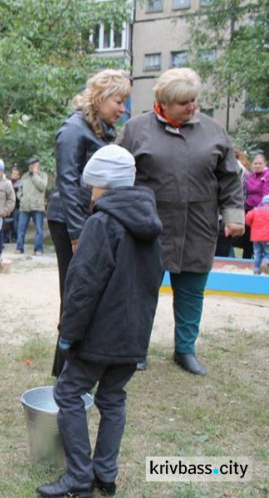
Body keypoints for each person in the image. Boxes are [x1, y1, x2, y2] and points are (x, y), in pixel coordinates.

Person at [37, 145, 162, 498]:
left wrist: (68, 335)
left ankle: (79, 477)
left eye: (91, 186)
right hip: (132, 336)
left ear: (101, 185)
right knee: (113, 398)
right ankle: (105, 475)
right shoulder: (151, 225)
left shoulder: (102, 223)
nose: (89, 193)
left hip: (96, 337)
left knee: (68, 391)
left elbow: (82, 286)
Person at [119, 68, 244, 376]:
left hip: (198, 227)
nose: (191, 107)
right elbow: (119, 176)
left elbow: (230, 177)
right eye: (183, 103)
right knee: (142, 291)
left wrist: (234, 216)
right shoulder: (136, 129)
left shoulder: (213, 131)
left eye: (193, 100)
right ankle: (136, 351)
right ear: (163, 102)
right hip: (150, 227)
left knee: (191, 290)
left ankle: (185, 350)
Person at [46, 68, 131, 377]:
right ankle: (64, 368)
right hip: (70, 221)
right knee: (74, 291)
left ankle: (80, 360)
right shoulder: (73, 129)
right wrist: (77, 231)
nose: (123, 109)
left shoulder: (103, 130)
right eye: (119, 101)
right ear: (100, 97)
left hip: (92, 220)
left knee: (89, 289)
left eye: (125, 103)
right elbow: (67, 182)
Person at [15, 156, 48, 255]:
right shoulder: (24, 176)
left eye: (33, 164)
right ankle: (19, 248)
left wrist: (34, 174)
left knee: (39, 229)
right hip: (24, 206)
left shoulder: (43, 175)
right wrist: (21, 197)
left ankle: (38, 249)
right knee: (21, 229)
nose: (31, 166)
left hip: (37, 206)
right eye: (29, 165)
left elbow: (42, 186)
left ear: (37, 165)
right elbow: (19, 189)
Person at [240, 154, 269, 259]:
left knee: (261, 239)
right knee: (248, 237)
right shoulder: (250, 176)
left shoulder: (267, 176)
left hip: (262, 212)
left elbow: (266, 195)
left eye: (260, 163)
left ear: (265, 164)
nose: (257, 165)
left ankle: (264, 262)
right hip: (249, 210)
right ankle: (246, 259)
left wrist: (260, 210)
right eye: (255, 163)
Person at [245, 194, 269, 275]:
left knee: (257, 253)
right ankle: (266, 263)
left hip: (256, 237)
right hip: (267, 237)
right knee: (268, 252)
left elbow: (247, 218)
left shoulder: (256, 210)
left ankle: (256, 269)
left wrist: (252, 225)